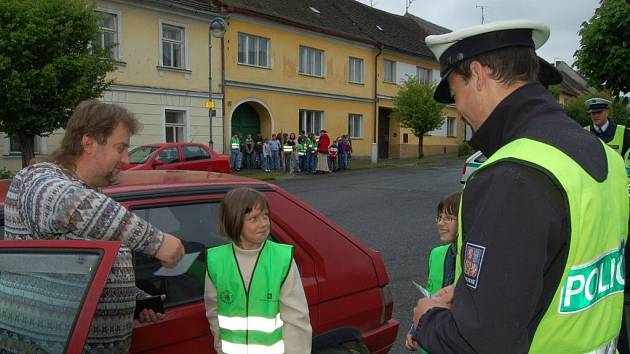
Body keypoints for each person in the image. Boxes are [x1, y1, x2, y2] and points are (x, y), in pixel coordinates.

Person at [411, 20, 628, 353]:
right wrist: (477, 292)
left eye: (456, 93)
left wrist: (429, 321)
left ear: (478, 75)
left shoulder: (512, 174)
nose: (459, 109)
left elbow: (482, 343)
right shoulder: (605, 157)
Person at [1, 100, 186, 352]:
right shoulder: (37, 179)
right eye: (120, 148)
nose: (125, 159)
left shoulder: (92, 193)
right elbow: (70, 203)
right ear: (88, 143)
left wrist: (133, 299)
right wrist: (157, 242)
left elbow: (75, 270)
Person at [204, 187, 312, 353]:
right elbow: (213, 312)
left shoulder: (281, 259)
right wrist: (220, 347)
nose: (263, 223)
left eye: (265, 216)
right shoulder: (217, 262)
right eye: (253, 218)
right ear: (234, 221)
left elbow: (296, 319)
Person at [405, 191, 460, 352]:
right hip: (432, 338)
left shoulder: (472, 260)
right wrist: (415, 328)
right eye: (439, 217)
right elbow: (431, 295)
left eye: (449, 218)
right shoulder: (436, 254)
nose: (441, 223)